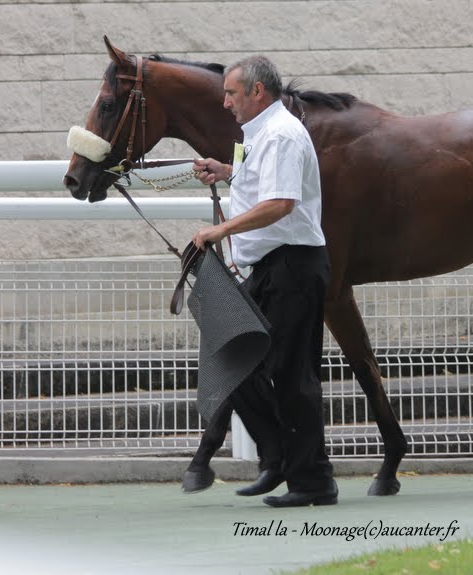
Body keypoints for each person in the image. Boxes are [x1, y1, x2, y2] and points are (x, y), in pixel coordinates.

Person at [192, 55, 336, 507]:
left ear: (257, 92)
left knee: (292, 377)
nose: (225, 102)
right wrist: (227, 172)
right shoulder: (263, 135)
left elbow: (280, 203)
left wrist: (220, 231)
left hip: (292, 267)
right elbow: (264, 186)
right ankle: (278, 459)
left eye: (232, 93)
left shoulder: (280, 135)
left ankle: (311, 482)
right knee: (237, 358)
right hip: (275, 268)